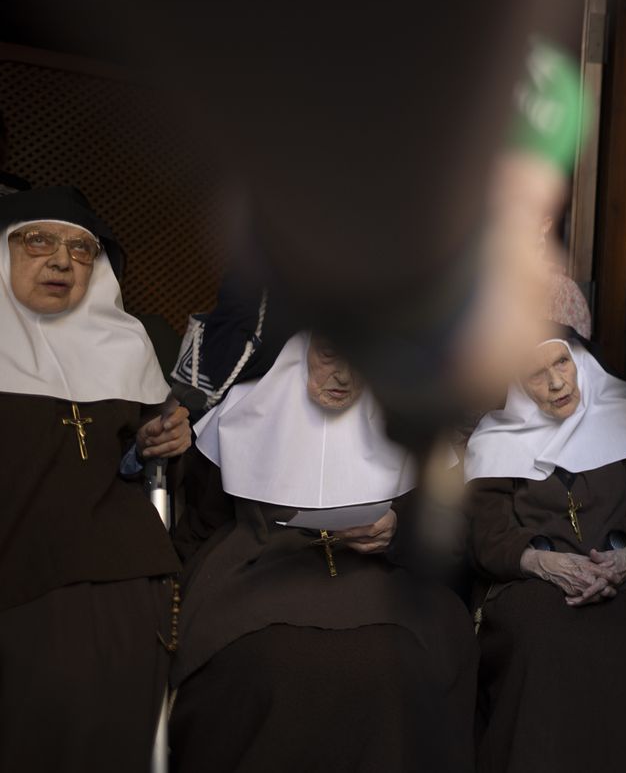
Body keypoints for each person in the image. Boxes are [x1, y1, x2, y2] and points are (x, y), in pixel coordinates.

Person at [170, 332, 477, 772]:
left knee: (399, 661)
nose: (344, 376)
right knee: (261, 662)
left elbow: (448, 531)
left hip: (380, 576)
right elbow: (202, 522)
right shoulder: (242, 410)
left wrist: (399, 530)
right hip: (260, 571)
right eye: (331, 354)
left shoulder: (405, 419)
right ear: (301, 347)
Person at [0, 186, 190, 771]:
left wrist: (157, 440)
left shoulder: (125, 344)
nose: (62, 260)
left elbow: (128, 453)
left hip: (118, 573)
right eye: (39, 241)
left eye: (81, 249)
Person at [465, 334, 626, 772]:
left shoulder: (624, 410)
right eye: (536, 375)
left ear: (580, 361)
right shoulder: (496, 438)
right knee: (544, 641)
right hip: (539, 575)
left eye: (562, 363)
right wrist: (541, 562)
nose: (556, 383)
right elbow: (488, 531)